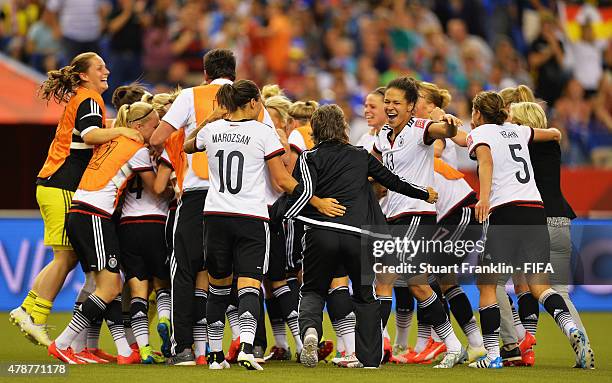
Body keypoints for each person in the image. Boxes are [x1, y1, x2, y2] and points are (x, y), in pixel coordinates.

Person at [284, 104, 437, 369]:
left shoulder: (309, 157)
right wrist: (424, 193)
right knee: (366, 296)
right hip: (358, 236)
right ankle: (369, 359)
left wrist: (303, 210)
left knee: (313, 291)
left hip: (321, 234)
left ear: (316, 130)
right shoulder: (360, 155)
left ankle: (310, 332)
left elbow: (302, 193)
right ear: (343, 127)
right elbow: (392, 181)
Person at [10, 52, 142, 350]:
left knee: (68, 257)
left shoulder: (85, 98)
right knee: (65, 258)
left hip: (55, 183)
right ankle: (34, 315)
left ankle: (30, 309)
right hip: (60, 184)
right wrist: (122, 130)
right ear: (84, 75)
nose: (106, 70)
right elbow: (92, 134)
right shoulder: (89, 98)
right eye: (99, 67)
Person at [466, 91, 594, 369]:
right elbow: (551, 134)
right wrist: (553, 131)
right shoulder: (518, 131)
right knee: (541, 286)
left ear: (477, 114)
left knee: (487, 284)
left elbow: (485, 162)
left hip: (506, 211)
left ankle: (493, 356)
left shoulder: (479, 133)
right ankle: (571, 328)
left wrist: (484, 197)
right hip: (536, 211)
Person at [189, 80, 298, 371]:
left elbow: (188, 145)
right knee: (249, 284)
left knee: (218, 286)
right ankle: (247, 348)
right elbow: (282, 180)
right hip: (251, 217)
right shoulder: (264, 132)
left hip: (215, 216)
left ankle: (214, 356)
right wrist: (315, 197)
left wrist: (210, 120)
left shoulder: (212, 130)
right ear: (252, 102)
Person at [48, 96, 160, 365]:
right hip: (94, 215)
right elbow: (156, 188)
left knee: (103, 285)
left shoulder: (112, 140)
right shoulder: (137, 147)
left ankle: (116, 349)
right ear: (140, 126)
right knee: (110, 288)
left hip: (81, 211)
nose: (157, 133)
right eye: (155, 127)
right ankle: (63, 343)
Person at [148, 48, 239, 366]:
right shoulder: (247, 98)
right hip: (235, 199)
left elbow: (159, 136)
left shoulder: (190, 95)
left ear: (205, 74)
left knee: (184, 271)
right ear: (235, 73)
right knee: (228, 272)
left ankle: (183, 348)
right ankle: (240, 343)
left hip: (198, 193)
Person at [371, 76, 466, 368]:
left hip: (416, 215)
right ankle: (376, 347)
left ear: (411, 106)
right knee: (390, 281)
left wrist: (449, 124)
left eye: (396, 102)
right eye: (386, 101)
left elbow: (443, 129)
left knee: (413, 283)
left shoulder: (420, 129)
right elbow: (375, 173)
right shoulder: (382, 135)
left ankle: (451, 345)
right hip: (394, 216)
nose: (389, 107)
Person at [510, 100, 591, 368]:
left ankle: (523, 344)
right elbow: (554, 133)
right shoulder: (552, 144)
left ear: (522, 123)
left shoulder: (519, 148)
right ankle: (583, 347)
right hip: (561, 221)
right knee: (561, 291)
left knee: (529, 287)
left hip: (534, 222)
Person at [114, 102, 172, 364]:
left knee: (138, 290)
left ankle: (145, 349)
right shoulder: (157, 152)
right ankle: (164, 319)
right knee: (162, 285)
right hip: (155, 223)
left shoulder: (124, 149)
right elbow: (158, 189)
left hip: (127, 225)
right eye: (156, 123)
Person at [356, 87, 387, 152]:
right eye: (366, 106)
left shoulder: (397, 137)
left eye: (372, 107)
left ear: (387, 109)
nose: (366, 110)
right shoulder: (365, 138)